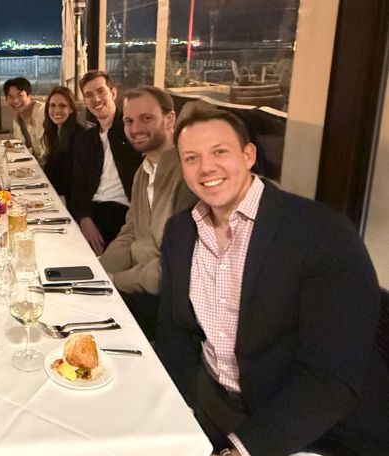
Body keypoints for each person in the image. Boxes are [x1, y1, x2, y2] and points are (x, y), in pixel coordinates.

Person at [157, 102, 389, 455]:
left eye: (220, 151)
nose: (207, 167)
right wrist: (182, 406)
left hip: (311, 428)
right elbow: (174, 332)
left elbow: (330, 380)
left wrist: (243, 450)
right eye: (191, 158)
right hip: (217, 405)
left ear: (248, 155)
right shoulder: (180, 231)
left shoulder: (322, 234)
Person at [99, 86, 195, 340]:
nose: (135, 128)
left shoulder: (187, 176)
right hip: (139, 285)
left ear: (170, 119)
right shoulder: (143, 172)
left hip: (169, 301)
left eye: (146, 118)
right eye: (129, 121)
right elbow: (130, 232)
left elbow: (173, 267)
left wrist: (115, 280)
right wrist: (98, 271)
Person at [70, 70, 143, 255]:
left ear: (113, 93)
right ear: (85, 101)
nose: (96, 99)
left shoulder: (131, 130)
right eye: (89, 95)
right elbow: (78, 185)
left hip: (123, 212)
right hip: (92, 209)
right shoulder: (85, 140)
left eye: (101, 91)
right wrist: (84, 218)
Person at [40, 86, 85, 204]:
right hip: (54, 194)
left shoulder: (79, 136)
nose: (56, 110)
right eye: (52, 105)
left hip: (68, 201)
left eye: (62, 106)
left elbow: (72, 179)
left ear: (71, 109)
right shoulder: (54, 131)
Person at [4, 76, 47, 163]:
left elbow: (47, 151)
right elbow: (21, 148)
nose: (16, 101)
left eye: (20, 95)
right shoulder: (16, 120)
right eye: (11, 97)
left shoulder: (41, 112)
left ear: (29, 96)